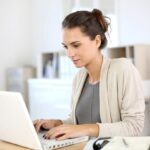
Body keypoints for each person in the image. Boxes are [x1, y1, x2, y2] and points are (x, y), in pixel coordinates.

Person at [33, 8, 145, 140]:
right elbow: (78, 123)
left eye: (76, 45)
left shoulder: (123, 69)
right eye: (66, 47)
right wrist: (57, 124)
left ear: (97, 41)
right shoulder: (79, 78)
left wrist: (87, 128)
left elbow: (134, 126)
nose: (69, 54)